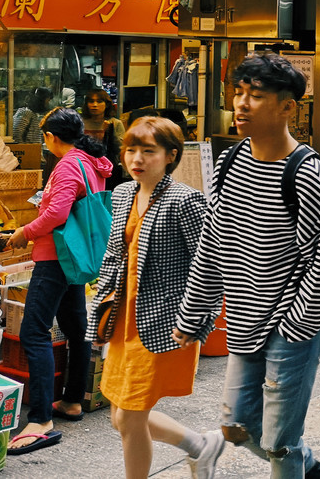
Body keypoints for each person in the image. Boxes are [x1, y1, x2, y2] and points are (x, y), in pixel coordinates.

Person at [173, 52, 320, 478]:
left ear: (287, 107)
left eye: (255, 96)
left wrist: (297, 321)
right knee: (235, 426)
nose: (241, 105)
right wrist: (193, 317)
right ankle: (314, 469)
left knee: (278, 444)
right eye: (238, 93)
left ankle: (297, 463)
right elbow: (213, 245)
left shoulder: (305, 171)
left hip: (292, 325)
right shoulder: (229, 161)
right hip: (243, 318)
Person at [90, 117, 223, 478]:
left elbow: (211, 264)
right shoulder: (122, 193)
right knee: (120, 416)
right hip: (122, 320)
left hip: (163, 322)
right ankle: (200, 445)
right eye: (131, 150)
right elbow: (115, 257)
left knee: (131, 416)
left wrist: (194, 319)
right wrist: (97, 310)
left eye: (149, 151)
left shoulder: (186, 200)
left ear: (170, 156)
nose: (137, 158)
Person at [7, 108, 114, 454]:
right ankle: (71, 401)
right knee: (75, 326)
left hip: (55, 256)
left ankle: (40, 420)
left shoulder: (68, 164)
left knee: (33, 332)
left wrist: (25, 231)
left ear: (51, 137)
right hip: (76, 256)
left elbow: (56, 213)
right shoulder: (91, 161)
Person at [81, 89, 126, 187]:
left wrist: (109, 132)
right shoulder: (81, 123)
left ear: (107, 104)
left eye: (99, 101)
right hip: (83, 169)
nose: (95, 105)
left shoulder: (115, 123)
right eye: (91, 101)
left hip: (107, 171)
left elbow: (121, 149)